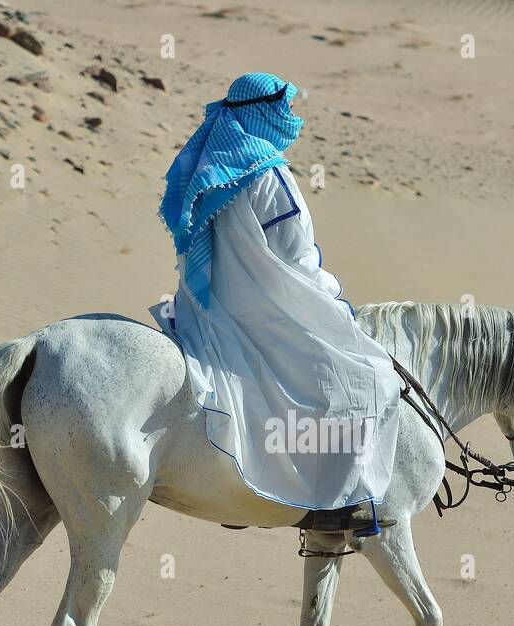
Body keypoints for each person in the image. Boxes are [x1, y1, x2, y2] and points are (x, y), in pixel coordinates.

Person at [156, 72, 400, 534]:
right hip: (266, 310)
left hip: (207, 308)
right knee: (370, 378)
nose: (291, 117)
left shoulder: (206, 169)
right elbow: (297, 259)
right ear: (263, 112)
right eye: (284, 108)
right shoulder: (268, 173)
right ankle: (340, 504)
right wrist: (334, 299)